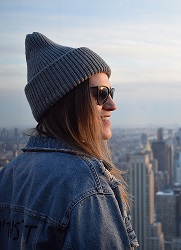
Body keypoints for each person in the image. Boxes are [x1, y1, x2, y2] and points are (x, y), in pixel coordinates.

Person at [0, 32, 139, 249]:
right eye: (101, 93)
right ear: (69, 101)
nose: (112, 105)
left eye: (111, 92)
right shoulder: (86, 185)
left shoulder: (7, 176)